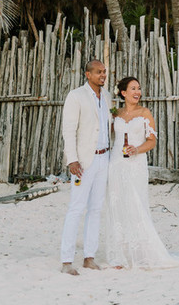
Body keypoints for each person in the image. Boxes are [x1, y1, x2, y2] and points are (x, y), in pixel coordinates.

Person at [98, 76, 179, 269]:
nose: (137, 92)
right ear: (123, 93)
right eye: (133, 88)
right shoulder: (115, 114)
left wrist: (137, 149)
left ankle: (142, 252)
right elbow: (107, 136)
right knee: (117, 205)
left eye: (139, 88)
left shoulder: (145, 113)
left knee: (136, 203)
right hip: (116, 164)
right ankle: (120, 254)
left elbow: (152, 141)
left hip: (136, 165)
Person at [60, 59, 112, 275]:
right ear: (87, 75)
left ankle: (89, 257)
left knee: (96, 208)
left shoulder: (107, 97)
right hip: (84, 161)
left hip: (104, 158)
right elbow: (69, 130)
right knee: (76, 208)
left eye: (104, 72)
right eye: (98, 72)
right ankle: (66, 261)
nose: (103, 75)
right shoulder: (76, 96)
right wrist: (72, 159)